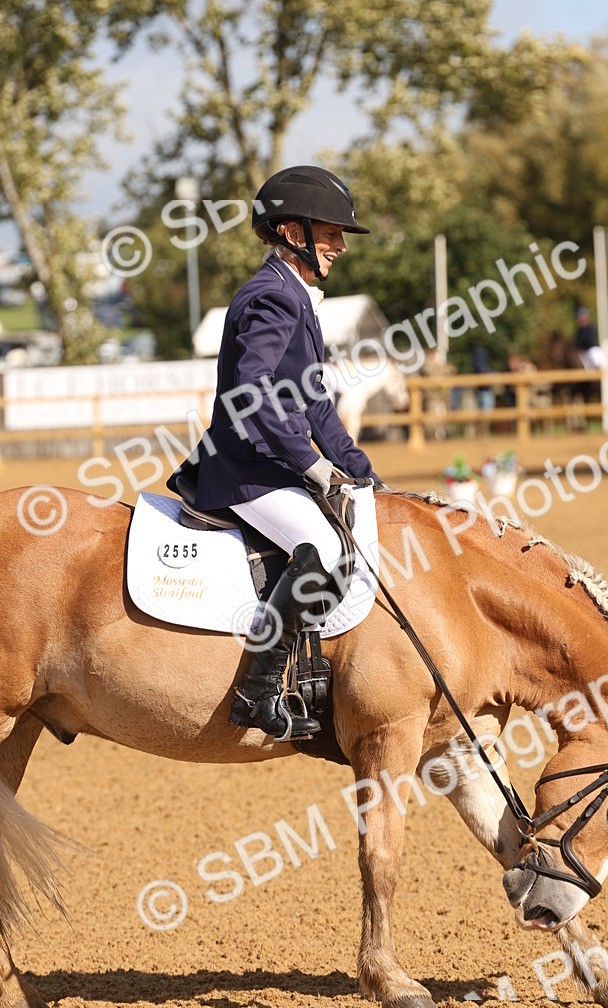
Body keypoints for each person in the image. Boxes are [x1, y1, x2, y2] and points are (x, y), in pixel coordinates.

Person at [168, 165, 383, 740]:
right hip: (243, 470)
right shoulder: (272, 297)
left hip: (268, 463)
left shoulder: (298, 297)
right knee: (320, 550)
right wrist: (311, 465)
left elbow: (314, 405)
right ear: (293, 233)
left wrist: (362, 471)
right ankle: (256, 692)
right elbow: (251, 390)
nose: (339, 245)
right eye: (331, 232)